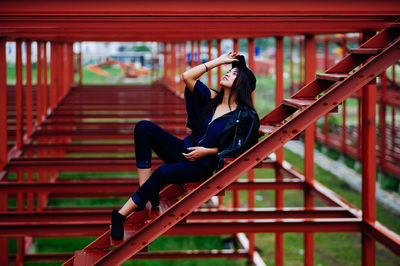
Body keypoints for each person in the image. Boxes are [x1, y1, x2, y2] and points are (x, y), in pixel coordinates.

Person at [110, 51, 260, 240]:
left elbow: (244, 147)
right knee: (143, 127)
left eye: (235, 73)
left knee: (163, 173)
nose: (228, 73)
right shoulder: (211, 98)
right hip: (184, 149)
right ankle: (145, 190)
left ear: (243, 84)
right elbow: (187, 76)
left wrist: (208, 152)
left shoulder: (244, 115)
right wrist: (219, 61)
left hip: (201, 166)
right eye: (230, 71)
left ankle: (120, 215)